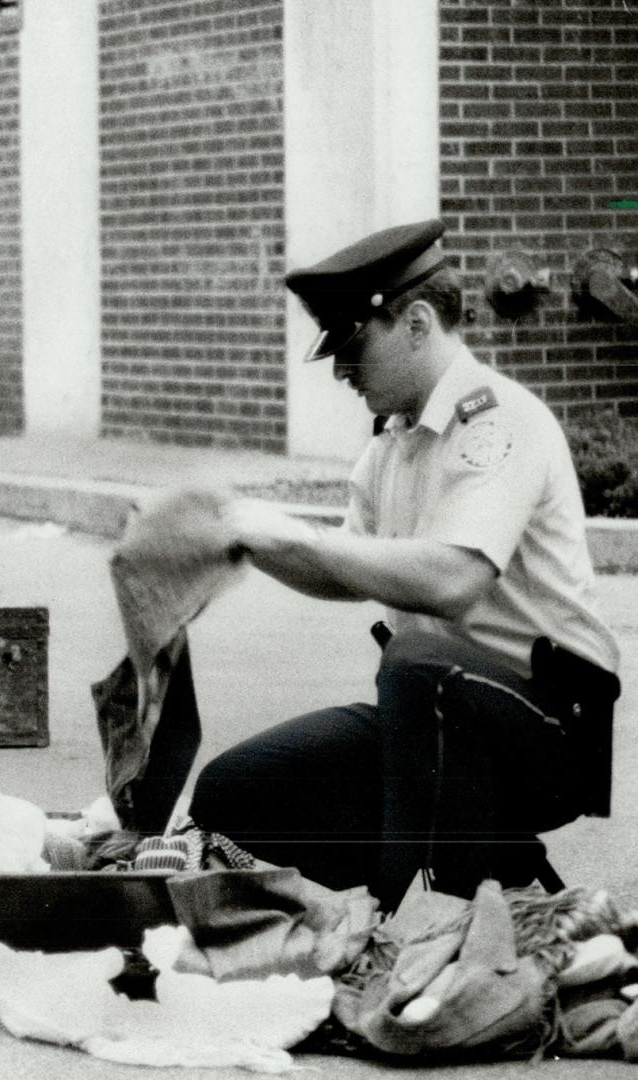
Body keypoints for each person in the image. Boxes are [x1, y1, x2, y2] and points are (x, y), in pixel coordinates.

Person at [187, 219, 622, 912]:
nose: (339, 371)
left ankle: (421, 918)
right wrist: (243, 542)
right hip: (437, 710)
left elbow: (453, 580)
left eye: (354, 344)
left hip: (551, 725)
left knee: (417, 662)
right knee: (235, 792)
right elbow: (345, 570)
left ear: (417, 323)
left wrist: (297, 536)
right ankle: (474, 876)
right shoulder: (393, 442)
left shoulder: (500, 422)